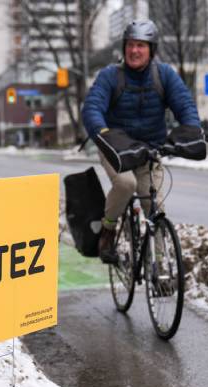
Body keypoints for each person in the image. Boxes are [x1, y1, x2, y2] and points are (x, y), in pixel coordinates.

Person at [82, 19, 201, 264]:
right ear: (124, 48)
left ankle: (160, 267)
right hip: (116, 147)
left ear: (151, 50)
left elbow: (184, 104)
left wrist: (190, 130)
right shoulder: (110, 76)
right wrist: (103, 133)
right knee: (126, 184)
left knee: (154, 205)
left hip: (149, 150)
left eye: (141, 45)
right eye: (130, 45)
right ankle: (108, 230)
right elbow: (92, 107)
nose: (134, 50)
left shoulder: (164, 75)